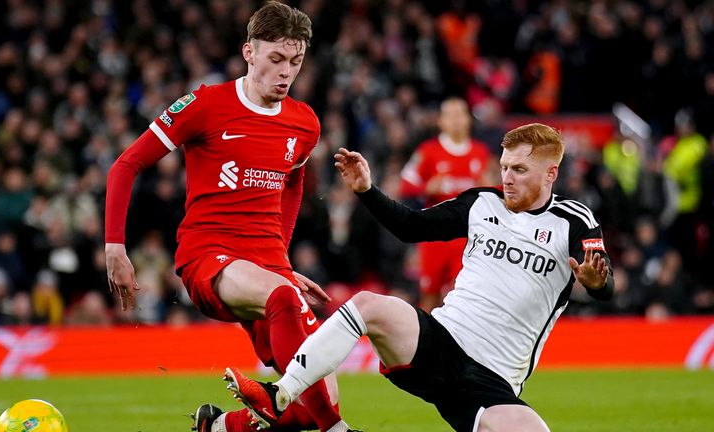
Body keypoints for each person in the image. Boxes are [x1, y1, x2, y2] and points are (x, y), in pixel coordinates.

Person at [224, 123, 614, 431]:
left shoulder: (574, 221)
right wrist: (367, 191)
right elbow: (412, 227)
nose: (507, 177)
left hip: (492, 382)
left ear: (551, 173)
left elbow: (602, 283)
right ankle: (282, 393)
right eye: (505, 167)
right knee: (367, 305)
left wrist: (596, 282)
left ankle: (224, 427)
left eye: (519, 169)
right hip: (439, 343)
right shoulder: (482, 202)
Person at [104, 3, 355, 432]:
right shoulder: (205, 104)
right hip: (209, 255)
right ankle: (339, 431)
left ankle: (220, 426)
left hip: (268, 266)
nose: (285, 72)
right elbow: (125, 165)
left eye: (295, 62)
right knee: (284, 303)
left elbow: (292, 184)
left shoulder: (303, 123)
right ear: (249, 53)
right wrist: (114, 247)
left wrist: (284, 262)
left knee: (318, 400)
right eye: (275, 59)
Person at [399, 97, 492, 311]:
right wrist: (426, 188)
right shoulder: (428, 151)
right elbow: (405, 184)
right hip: (434, 235)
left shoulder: (480, 152)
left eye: (461, 114)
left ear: (469, 119)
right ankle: (426, 339)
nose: (456, 120)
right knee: (429, 293)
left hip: (467, 236)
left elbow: (494, 188)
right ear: (440, 121)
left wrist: (488, 188)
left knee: (462, 293)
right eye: (450, 115)